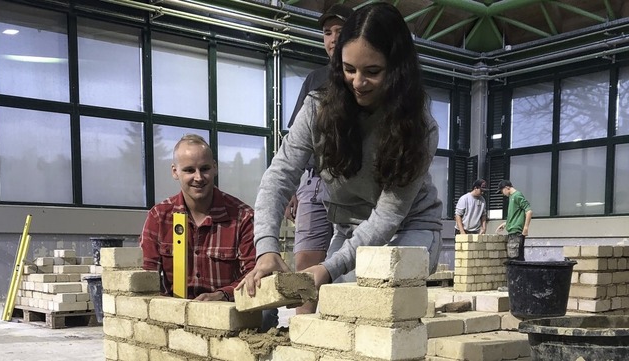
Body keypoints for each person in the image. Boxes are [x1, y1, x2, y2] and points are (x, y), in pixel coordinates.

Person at [239, 3, 443, 297]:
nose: (358, 83)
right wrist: (266, 248)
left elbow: (388, 216)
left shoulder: (419, 128)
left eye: (372, 71)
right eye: (349, 69)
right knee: (332, 309)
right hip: (348, 229)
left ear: (398, 69)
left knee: (368, 296)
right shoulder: (317, 107)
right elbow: (280, 175)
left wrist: (329, 268)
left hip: (410, 229)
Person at [139, 134, 276, 330]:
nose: (198, 178)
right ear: (175, 171)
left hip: (229, 314)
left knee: (267, 310)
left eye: (204, 169)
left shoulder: (242, 217)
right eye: (189, 170)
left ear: (215, 167)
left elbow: (254, 275)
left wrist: (222, 295)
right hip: (175, 318)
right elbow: (147, 277)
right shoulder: (159, 217)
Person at [284, 3, 353, 315]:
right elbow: (296, 143)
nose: (333, 39)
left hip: (356, 185)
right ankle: (305, 335)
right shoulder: (315, 80)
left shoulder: (365, 81)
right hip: (315, 181)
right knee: (306, 267)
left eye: (341, 31)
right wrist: (291, 190)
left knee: (351, 268)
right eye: (327, 33)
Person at [495, 180, 532, 260]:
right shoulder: (512, 197)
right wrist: (506, 223)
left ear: (507, 187)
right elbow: (515, 214)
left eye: (502, 191)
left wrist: (526, 228)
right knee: (517, 256)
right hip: (512, 230)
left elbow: (528, 211)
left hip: (516, 232)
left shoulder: (517, 196)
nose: (502, 193)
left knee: (514, 257)